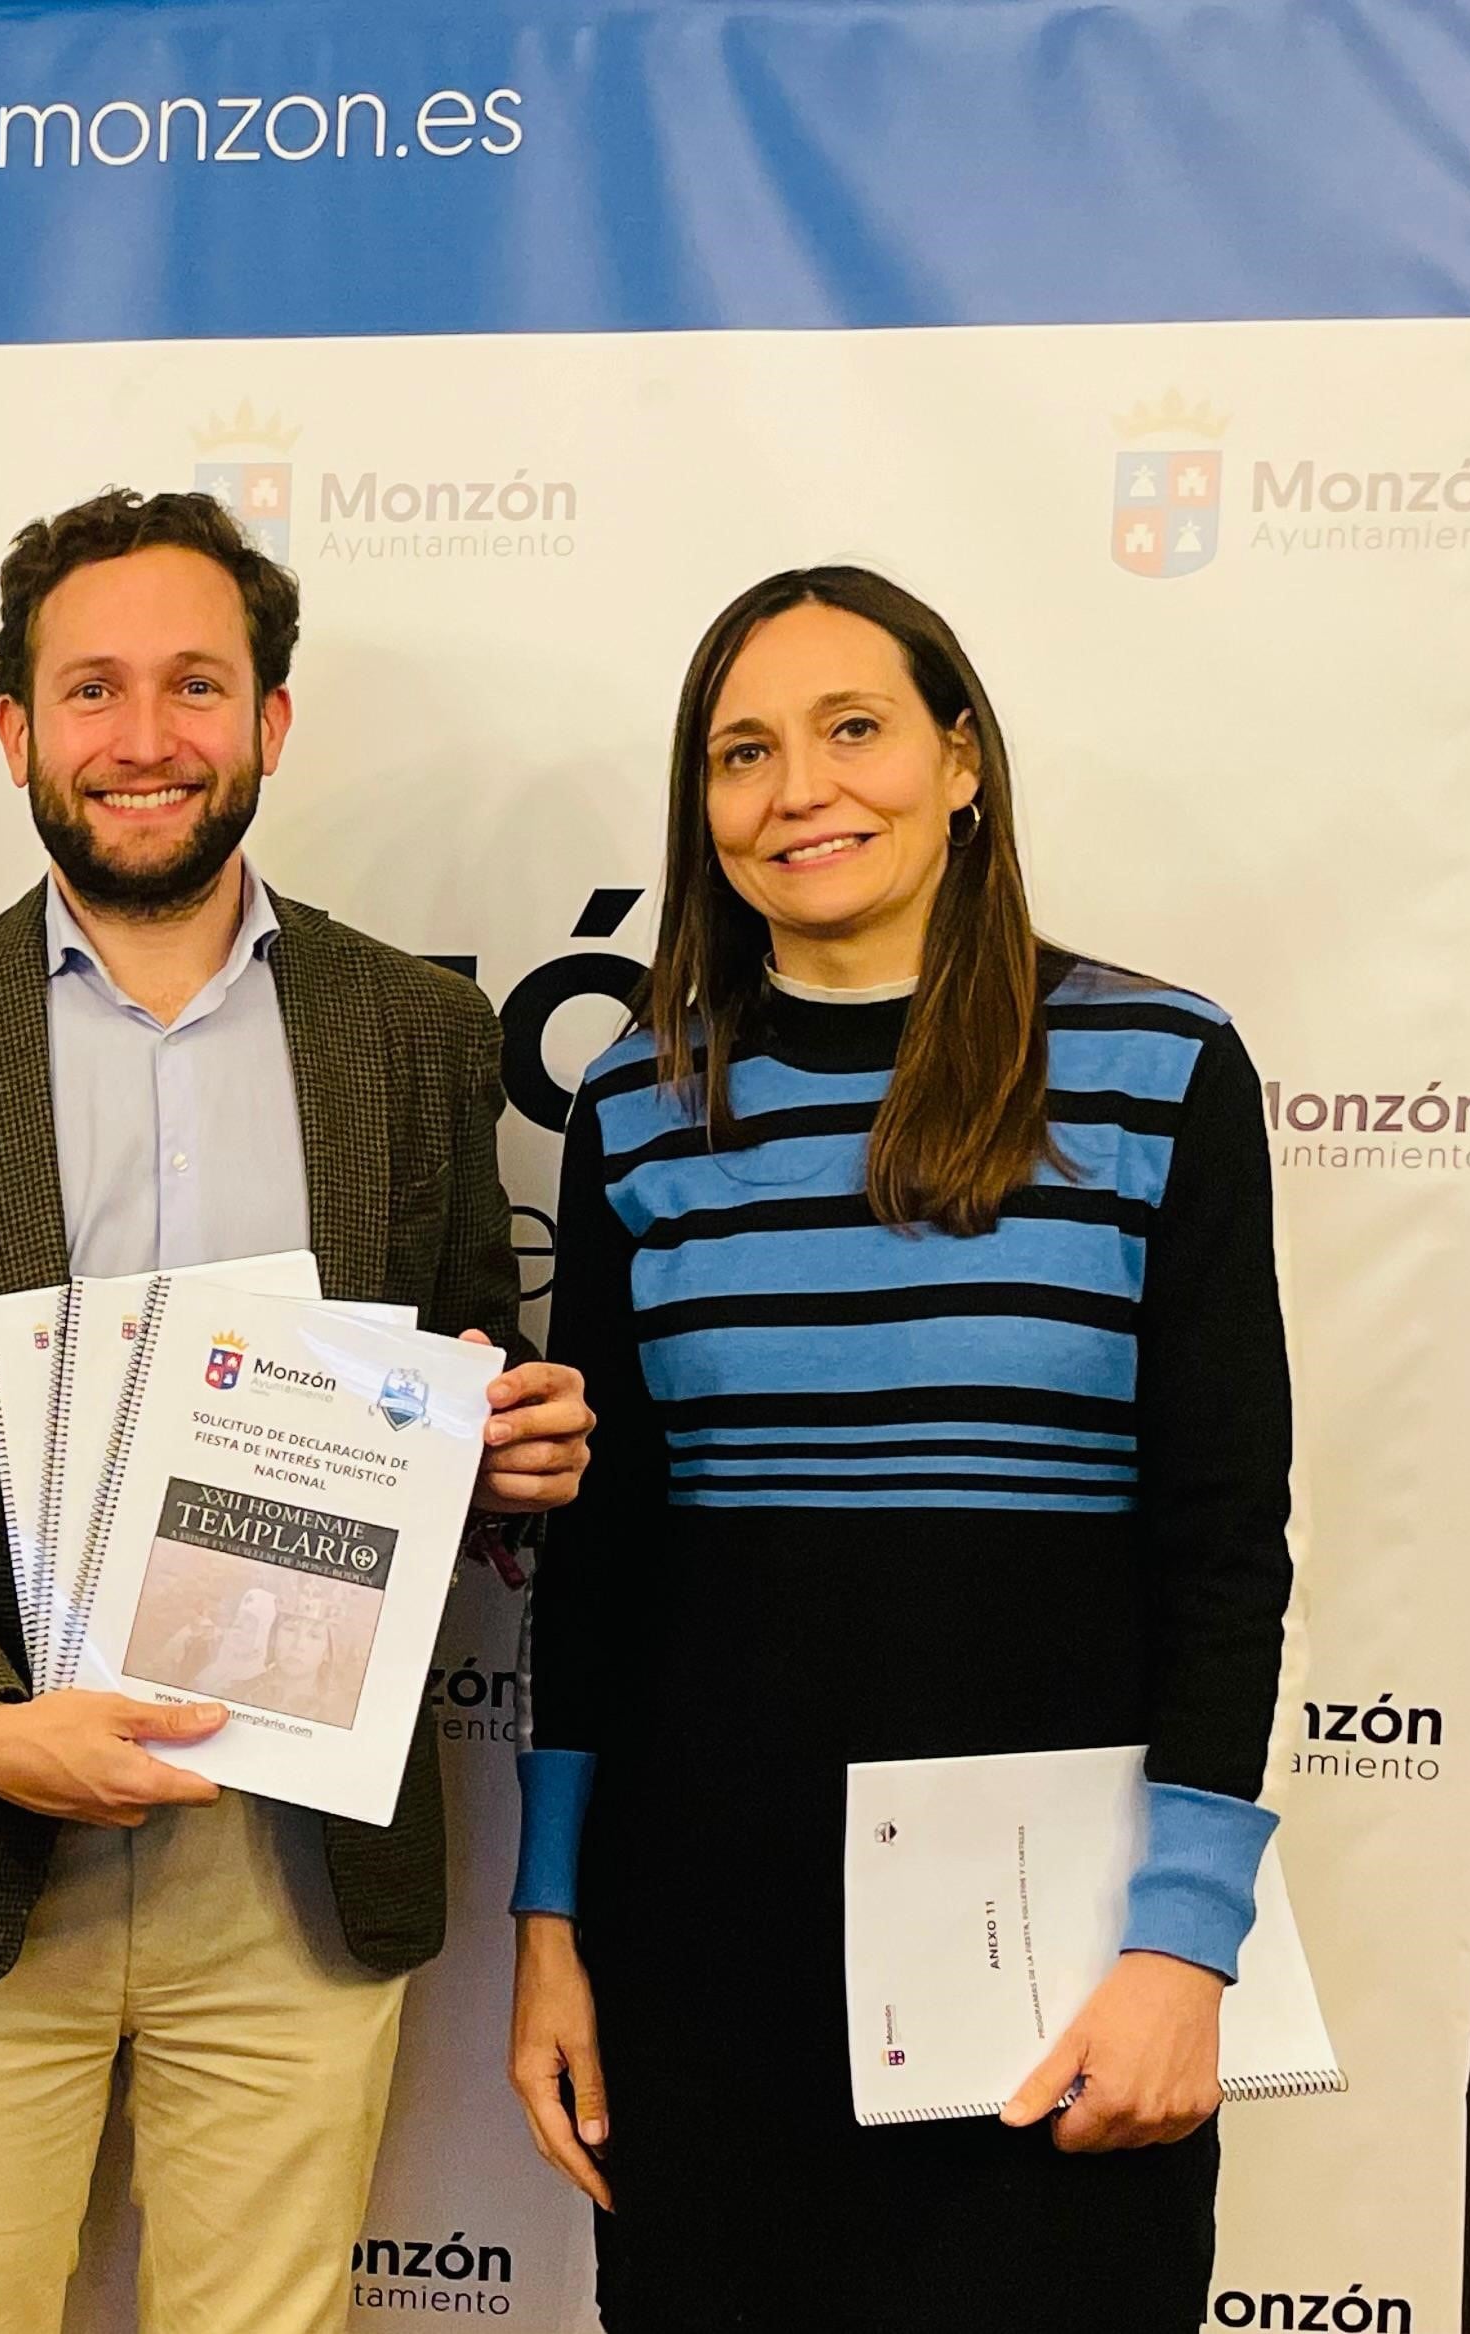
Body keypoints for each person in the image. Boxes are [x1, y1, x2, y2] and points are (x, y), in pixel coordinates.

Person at [0, 486, 594, 2334]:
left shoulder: (409, 1033)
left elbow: (437, 1393)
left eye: (195, 685)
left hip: (292, 1858)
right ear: (15, 732)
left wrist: (501, 1451)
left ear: (270, 722)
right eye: (92, 690)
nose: (144, 738)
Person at [502, 567, 1292, 2331]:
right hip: (706, 1943)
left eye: (851, 729)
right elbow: (609, 1563)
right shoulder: (639, 1101)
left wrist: (1183, 1938)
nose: (799, 789)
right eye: (741, 750)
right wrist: (550, 1915)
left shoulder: (1157, 1068)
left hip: (1056, 1953)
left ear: (958, 761)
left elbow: (1225, 1543)